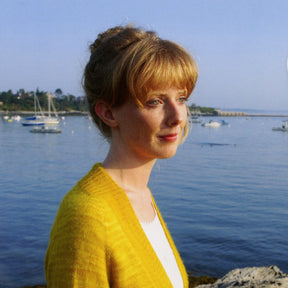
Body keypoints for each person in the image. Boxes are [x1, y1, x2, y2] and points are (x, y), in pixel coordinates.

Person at [45, 25, 198, 288]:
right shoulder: (86, 215)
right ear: (109, 113)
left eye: (181, 98)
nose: (177, 117)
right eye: (155, 102)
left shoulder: (142, 197)